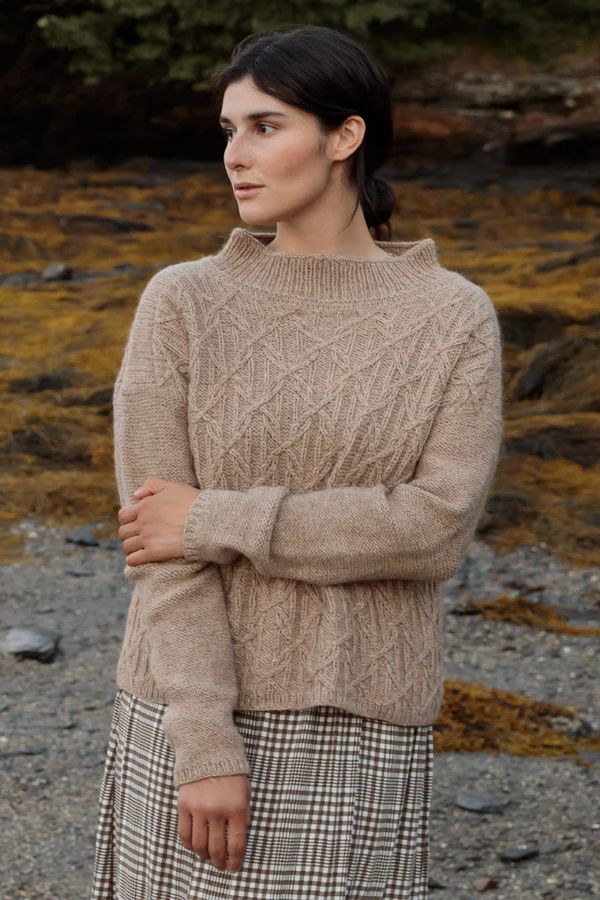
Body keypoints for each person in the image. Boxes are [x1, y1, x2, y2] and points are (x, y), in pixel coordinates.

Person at [90, 24, 504, 900]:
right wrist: (202, 739)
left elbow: (431, 530)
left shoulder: (453, 317)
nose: (236, 155)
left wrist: (214, 518)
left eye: (265, 126)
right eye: (229, 131)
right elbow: (157, 553)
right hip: (193, 711)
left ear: (344, 136)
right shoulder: (182, 302)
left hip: (366, 727)